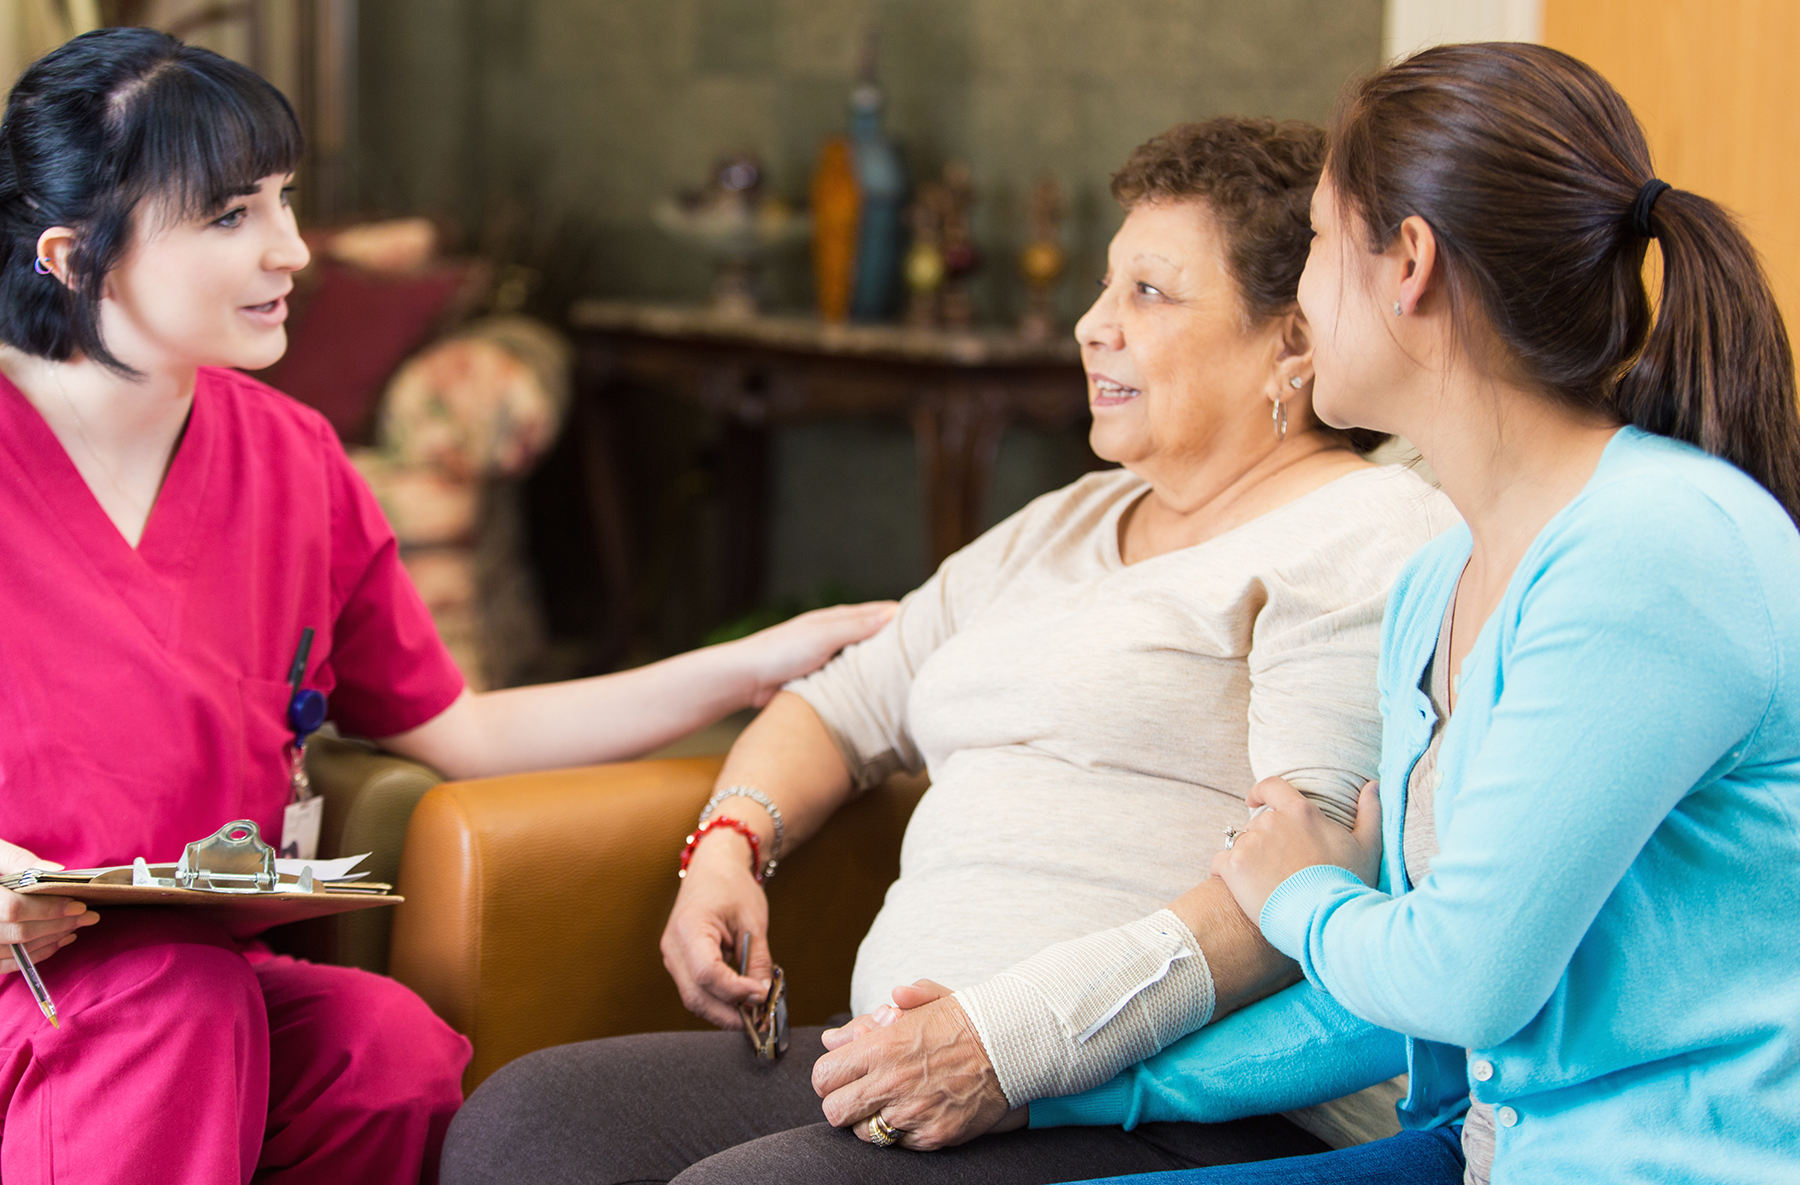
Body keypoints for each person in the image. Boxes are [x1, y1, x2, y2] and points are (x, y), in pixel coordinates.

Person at [443, 118, 1456, 1185]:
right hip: (896, 1053)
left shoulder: (1361, 534)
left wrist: (1005, 1044)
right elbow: (839, 708)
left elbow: (1298, 890)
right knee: (533, 1125)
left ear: (1292, 339)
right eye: (1103, 288)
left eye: (1149, 294)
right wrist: (730, 845)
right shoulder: (1064, 521)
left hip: (1152, 1103)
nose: (1092, 328)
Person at [0, 29, 890, 1185]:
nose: (293, 250)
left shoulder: (294, 464)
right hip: (38, 997)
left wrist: (754, 662)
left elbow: (465, 734)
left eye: (283, 201)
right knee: (176, 1005)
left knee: (388, 1052)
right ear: (77, 258)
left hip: (191, 989)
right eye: (229, 217)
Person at [1041, 42, 1800, 1185]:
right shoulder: (1439, 586)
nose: (1299, 296)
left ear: (1408, 264)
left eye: (1312, 246)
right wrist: (1072, 1092)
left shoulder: (1658, 549)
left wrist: (1293, 890)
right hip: (1476, 1149)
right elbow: (1397, 991)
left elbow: (1459, 974)